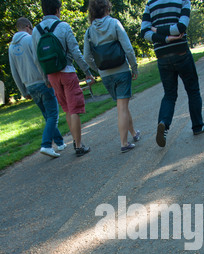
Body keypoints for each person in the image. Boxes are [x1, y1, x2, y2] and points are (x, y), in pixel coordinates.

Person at [141, 0, 204, 147]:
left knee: (169, 94)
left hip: (162, 56)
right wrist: (169, 35)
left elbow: (145, 32)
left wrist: (158, 32)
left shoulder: (151, 3)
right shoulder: (183, 1)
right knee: (193, 90)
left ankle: (163, 123)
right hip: (181, 53)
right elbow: (180, 27)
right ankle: (198, 126)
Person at [32, 0, 95, 156]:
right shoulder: (63, 26)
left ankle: (75, 140)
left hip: (52, 76)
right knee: (74, 109)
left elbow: (36, 58)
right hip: (67, 71)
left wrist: (45, 77)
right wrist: (87, 71)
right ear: (57, 10)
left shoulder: (35, 31)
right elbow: (75, 52)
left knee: (67, 109)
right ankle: (79, 145)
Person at [83, 0, 140, 153]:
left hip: (106, 75)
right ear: (107, 8)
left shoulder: (89, 31)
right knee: (122, 107)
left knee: (123, 106)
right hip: (121, 71)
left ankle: (134, 133)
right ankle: (124, 143)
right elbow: (128, 48)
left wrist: (98, 69)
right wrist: (134, 67)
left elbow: (87, 57)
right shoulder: (114, 24)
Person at [9, 17, 65, 158]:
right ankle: (46, 145)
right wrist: (46, 78)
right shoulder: (30, 40)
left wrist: (23, 91)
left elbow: (14, 72)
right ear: (28, 26)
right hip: (41, 81)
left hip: (30, 86)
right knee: (53, 115)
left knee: (48, 116)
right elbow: (39, 61)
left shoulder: (11, 48)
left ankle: (59, 142)